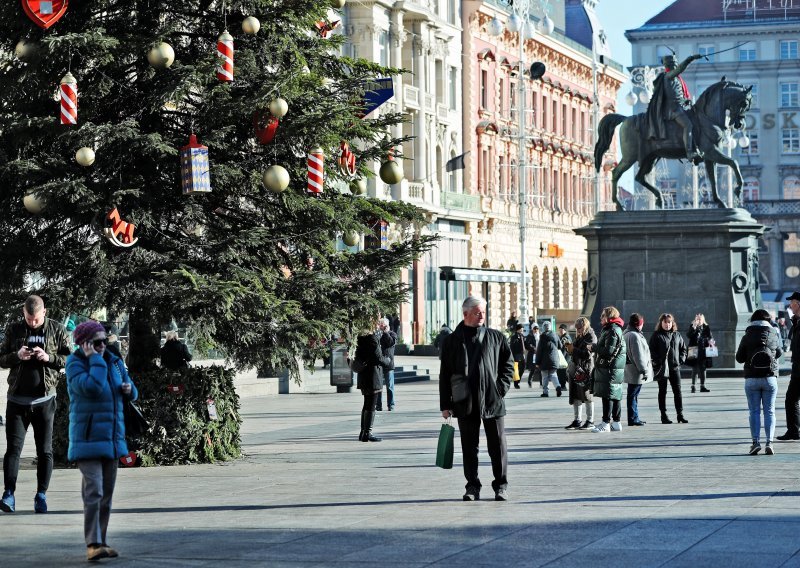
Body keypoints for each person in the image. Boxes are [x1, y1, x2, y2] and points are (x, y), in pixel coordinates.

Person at [65, 320, 138, 562]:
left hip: (112, 437)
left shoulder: (114, 360)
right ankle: (92, 543)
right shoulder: (75, 363)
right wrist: (94, 359)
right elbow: (92, 388)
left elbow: (133, 391)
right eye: (97, 342)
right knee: (93, 490)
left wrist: (129, 389)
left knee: (106, 493)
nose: (102, 346)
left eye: (104, 341)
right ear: (84, 343)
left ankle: (102, 541)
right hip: (87, 439)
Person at [0, 295, 71, 514]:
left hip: (44, 401)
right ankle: (8, 494)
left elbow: (70, 359)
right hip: (17, 401)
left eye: (36, 319)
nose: (32, 323)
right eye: (29, 318)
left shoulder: (58, 330)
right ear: (24, 313)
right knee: (13, 450)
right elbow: (1, 359)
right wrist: (16, 355)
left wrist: (48, 357)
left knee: (45, 451)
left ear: (44, 313)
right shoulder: (14, 330)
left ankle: (41, 495)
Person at [439, 295, 513, 501]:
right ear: (465, 314)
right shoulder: (452, 341)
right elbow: (444, 374)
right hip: (464, 401)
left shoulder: (497, 337)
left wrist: (500, 388)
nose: (482, 316)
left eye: (483, 312)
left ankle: (501, 485)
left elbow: (508, 365)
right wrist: (445, 404)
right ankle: (472, 486)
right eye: (477, 312)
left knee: (498, 446)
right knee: (469, 447)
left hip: (492, 399)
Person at [735, 309, 783, 455]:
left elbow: (739, 358)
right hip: (770, 377)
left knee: (754, 411)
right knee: (770, 411)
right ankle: (769, 443)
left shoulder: (748, 334)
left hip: (751, 378)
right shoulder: (773, 333)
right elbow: (779, 352)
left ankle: (755, 442)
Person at [645, 53, 704, 162]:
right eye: (674, 65)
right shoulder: (668, 76)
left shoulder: (676, 79)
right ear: (670, 66)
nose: (676, 67)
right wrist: (690, 58)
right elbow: (681, 69)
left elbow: (678, 94)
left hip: (680, 106)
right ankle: (689, 152)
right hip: (673, 109)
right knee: (688, 125)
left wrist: (686, 101)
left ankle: (696, 147)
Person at [588, 307, 627, 432]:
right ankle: (616, 423)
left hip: (610, 368)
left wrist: (593, 347)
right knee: (615, 395)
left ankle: (605, 423)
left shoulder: (612, 330)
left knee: (608, 395)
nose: (600, 319)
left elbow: (608, 351)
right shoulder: (614, 329)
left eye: (603, 316)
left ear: (609, 317)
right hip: (615, 368)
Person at [353, 318, 391, 442]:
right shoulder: (371, 338)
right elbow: (378, 357)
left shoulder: (359, 338)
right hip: (373, 375)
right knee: (371, 405)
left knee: (366, 404)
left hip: (363, 375)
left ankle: (363, 432)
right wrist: (388, 360)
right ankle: (367, 433)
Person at [649, 313, 689, 424]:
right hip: (662, 369)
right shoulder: (656, 335)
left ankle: (680, 414)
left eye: (669, 322)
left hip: (675, 368)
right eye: (665, 322)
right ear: (661, 323)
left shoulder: (677, 335)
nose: (667, 324)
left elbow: (683, 350)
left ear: (673, 323)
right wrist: (658, 361)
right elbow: (651, 351)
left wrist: (680, 361)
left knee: (678, 392)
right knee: (662, 392)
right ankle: (663, 415)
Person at [565, 317, 596, 430]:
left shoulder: (591, 336)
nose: (578, 330)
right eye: (576, 328)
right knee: (575, 395)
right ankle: (577, 420)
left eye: (580, 327)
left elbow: (587, 354)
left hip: (586, 369)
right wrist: (569, 349)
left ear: (585, 326)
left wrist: (574, 350)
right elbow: (575, 352)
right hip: (576, 368)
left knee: (587, 395)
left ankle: (590, 420)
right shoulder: (579, 335)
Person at [777, 291, 800, 441]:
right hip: (797, 368)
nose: (789, 304)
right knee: (791, 398)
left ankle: (794, 431)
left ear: (798, 303)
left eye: (791, 302)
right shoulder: (797, 321)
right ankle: (793, 431)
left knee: (791, 398)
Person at [623, 313, 653, 427]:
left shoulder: (627, 334)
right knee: (633, 395)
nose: (642, 326)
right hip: (636, 371)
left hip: (630, 370)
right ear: (638, 324)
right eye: (642, 323)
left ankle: (634, 417)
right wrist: (644, 370)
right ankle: (633, 418)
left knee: (633, 395)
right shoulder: (634, 336)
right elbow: (638, 355)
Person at [687, 313, 713, 393]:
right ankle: (693, 386)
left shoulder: (706, 327)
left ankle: (702, 386)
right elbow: (688, 335)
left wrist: (711, 341)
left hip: (703, 350)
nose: (698, 320)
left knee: (703, 369)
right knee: (695, 368)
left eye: (699, 319)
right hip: (694, 349)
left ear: (702, 320)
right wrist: (694, 328)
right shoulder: (692, 326)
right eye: (696, 319)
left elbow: (710, 337)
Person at [375, 317, 397, 411]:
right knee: (379, 387)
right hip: (379, 364)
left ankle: (391, 404)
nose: (381, 326)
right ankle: (378, 405)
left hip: (388, 364)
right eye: (380, 324)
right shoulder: (377, 334)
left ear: (387, 325)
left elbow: (390, 343)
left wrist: (386, 332)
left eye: (383, 325)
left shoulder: (392, 334)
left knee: (390, 387)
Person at [535, 321, 562, 398]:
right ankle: (558, 386)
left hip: (544, 361)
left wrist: (537, 362)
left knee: (545, 376)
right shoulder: (555, 335)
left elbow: (539, 351)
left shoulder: (542, 337)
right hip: (554, 359)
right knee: (553, 375)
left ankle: (545, 392)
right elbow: (560, 346)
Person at [556, 324, 573, 392]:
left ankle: (563, 386)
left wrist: (561, 357)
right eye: (560, 329)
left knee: (562, 372)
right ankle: (564, 385)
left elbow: (565, 349)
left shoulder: (565, 338)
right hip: (565, 358)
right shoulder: (563, 337)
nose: (560, 330)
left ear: (565, 330)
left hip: (565, 358)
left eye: (562, 329)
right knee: (563, 373)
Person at [509, 324, 526, 389]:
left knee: (523, 367)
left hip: (522, 354)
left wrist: (533, 348)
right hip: (516, 354)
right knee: (516, 369)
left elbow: (525, 344)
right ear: (518, 329)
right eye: (521, 329)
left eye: (522, 329)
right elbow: (512, 346)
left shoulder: (522, 336)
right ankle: (516, 383)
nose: (522, 330)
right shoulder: (514, 337)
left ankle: (518, 380)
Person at [524, 323, 539, 387]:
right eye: (534, 329)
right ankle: (529, 381)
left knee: (540, 368)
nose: (536, 330)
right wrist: (533, 348)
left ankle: (541, 383)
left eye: (537, 329)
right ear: (532, 329)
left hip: (539, 353)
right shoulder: (529, 336)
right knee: (533, 368)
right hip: (533, 354)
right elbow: (527, 345)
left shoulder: (540, 335)